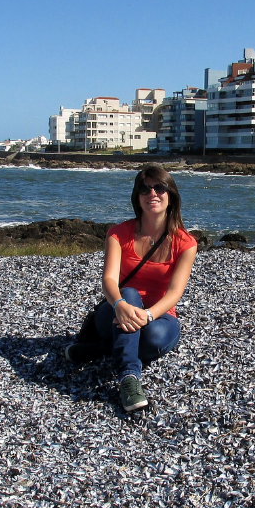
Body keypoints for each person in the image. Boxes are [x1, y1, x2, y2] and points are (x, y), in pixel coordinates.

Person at [65, 164, 198, 412]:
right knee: (129, 293)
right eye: (145, 189)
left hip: (157, 316)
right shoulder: (118, 234)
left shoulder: (186, 243)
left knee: (155, 339)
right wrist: (120, 305)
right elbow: (109, 281)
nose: (152, 194)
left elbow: (174, 293)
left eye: (159, 187)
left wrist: (147, 315)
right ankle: (129, 378)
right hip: (115, 309)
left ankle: (103, 348)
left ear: (171, 195)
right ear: (137, 197)